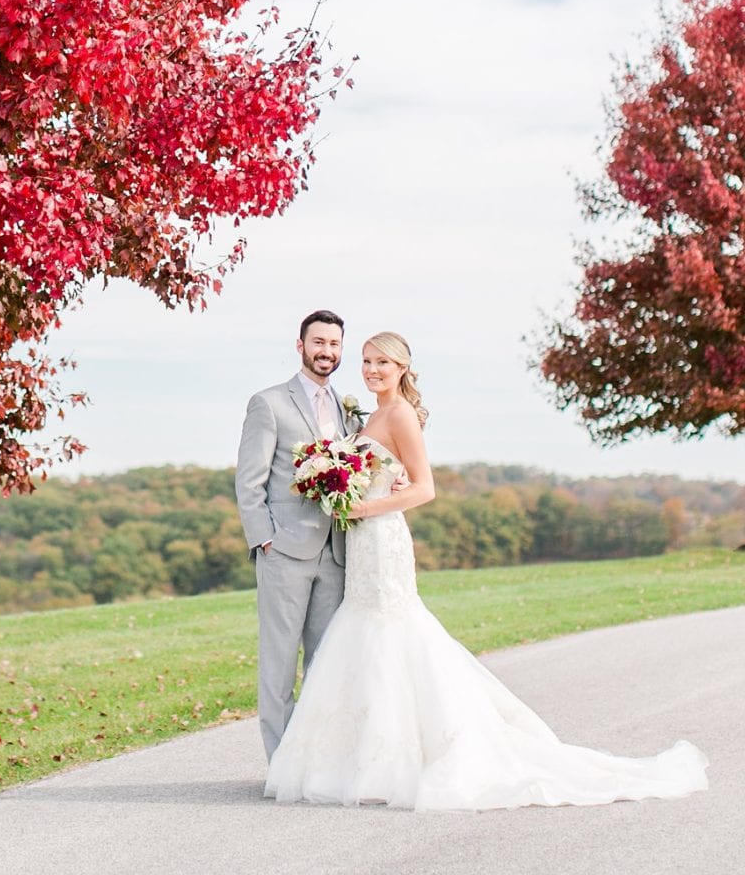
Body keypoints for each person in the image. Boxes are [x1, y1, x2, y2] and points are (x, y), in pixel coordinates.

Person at [263, 331, 709, 810]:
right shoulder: (370, 414)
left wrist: (364, 511)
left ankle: (397, 762)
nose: (372, 370)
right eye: (367, 361)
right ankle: (353, 761)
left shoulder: (401, 415)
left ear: (402, 368)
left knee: (393, 632)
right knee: (362, 633)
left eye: (383, 363)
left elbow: (425, 489)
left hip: (382, 537)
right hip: (361, 544)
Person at [236, 310, 378, 760]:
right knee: (279, 664)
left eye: (334, 345)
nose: (326, 352)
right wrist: (264, 539)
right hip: (285, 551)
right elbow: (249, 481)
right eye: (318, 343)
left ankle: (317, 763)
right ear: (300, 346)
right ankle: (281, 765)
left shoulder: (348, 409)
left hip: (336, 553)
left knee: (324, 664)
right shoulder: (269, 403)